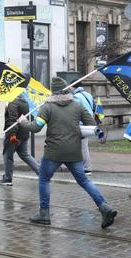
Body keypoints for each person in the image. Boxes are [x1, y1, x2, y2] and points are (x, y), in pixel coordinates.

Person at [20, 76, 117, 229]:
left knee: (44, 179)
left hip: (54, 152)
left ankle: (44, 213)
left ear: (52, 90)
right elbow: (91, 125)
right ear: (66, 89)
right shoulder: (77, 105)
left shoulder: (47, 106)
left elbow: (36, 127)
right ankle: (104, 207)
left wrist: (23, 122)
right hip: (74, 151)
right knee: (84, 180)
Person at [0, 93, 39, 186]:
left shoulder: (13, 102)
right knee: (25, 155)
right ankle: (41, 172)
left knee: (8, 156)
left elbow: (12, 120)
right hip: (24, 133)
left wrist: (12, 134)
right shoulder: (24, 102)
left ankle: (8, 178)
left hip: (14, 134)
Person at [73, 85, 95, 175]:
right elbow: (93, 107)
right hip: (88, 122)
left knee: (82, 146)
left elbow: (74, 111)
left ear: (73, 87)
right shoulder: (88, 94)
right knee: (83, 145)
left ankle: (86, 168)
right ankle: (83, 166)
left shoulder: (76, 97)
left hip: (80, 124)